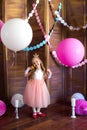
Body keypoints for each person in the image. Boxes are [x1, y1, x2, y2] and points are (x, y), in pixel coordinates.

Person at [23, 53, 52, 119]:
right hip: (33, 86)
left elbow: (46, 78)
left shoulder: (43, 70)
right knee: (33, 98)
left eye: (36, 62)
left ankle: (38, 111)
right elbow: (25, 75)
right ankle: (34, 111)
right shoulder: (33, 71)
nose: (35, 63)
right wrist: (28, 69)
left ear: (40, 62)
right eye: (34, 63)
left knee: (40, 98)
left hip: (41, 86)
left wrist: (50, 73)